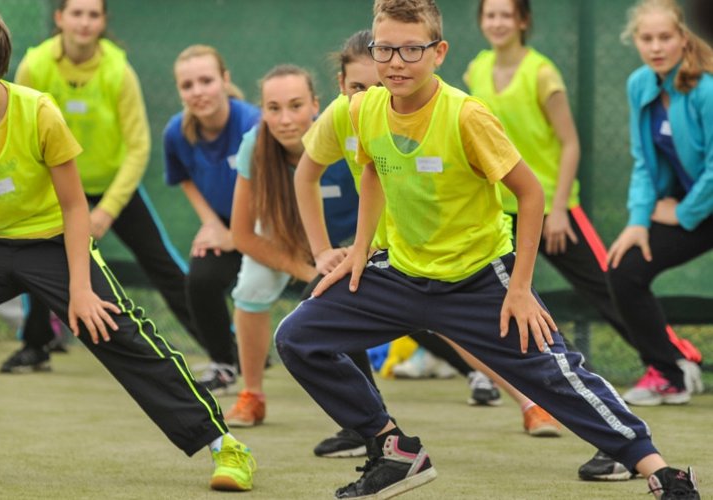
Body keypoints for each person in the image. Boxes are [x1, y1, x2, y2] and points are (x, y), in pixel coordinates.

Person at [275, 0, 699, 498]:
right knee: (298, 336)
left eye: (411, 49)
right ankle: (392, 449)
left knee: (555, 375)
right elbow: (372, 171)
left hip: (479, 278)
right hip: (402, 273)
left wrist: (519, 287)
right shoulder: (364, 108)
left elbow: (531, 192)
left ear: (439, 52)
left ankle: (660, 470)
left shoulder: (467, 115)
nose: (395, 62)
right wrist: (359, 249)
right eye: (385, 48)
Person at [0, 4, 255, 492]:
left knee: (118, 331)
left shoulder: (39, 112)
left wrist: (82, 289)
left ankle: (223, 444)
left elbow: (74, 208)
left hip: (49, 240)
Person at [466, 0, 703, 480]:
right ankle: (508, 378)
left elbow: (569, 142)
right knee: (510, 292)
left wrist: (555, 207)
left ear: (523, 21)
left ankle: (675, 359)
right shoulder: (477, 69)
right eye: (488, 14)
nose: (496, 22)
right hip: (503, 206)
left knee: (603, 283)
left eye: (505, 14)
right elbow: (643, 163)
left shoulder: (543, 72)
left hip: (563, 206)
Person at [294, 29, 561, 455]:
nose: (370, 94)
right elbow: (306, 175)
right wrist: (325, 251)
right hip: (382, 258)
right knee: (323, 306)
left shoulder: (434, 115)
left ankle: (534, 402)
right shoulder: (342, 115)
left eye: (377, 85)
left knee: (479, 335)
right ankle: (367, 428)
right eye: (357, 87)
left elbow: (521, 191)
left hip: (425, 255)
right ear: (342, 87)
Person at [1, 0, 200, 373]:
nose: (85, 22)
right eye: (77, 13)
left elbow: (138, 146)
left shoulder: (119, 70)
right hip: (54, 187)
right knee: (37, 259)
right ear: (60, 18)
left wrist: (108, 209)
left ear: (103, 22)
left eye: (93, 14)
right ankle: (36, 344)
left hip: (111, 188)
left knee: (163, 265)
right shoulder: (35, 65)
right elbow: (19, 131)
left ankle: (223, 345)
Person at [225, 64, 362, 428]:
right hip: (288, 243)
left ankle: (525, 399)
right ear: (262, 112)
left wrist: (358, 250)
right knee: (250, 288)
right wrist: (309, 270)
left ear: (316, 104)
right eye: (273, 108)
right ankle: (251, 394)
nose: (285, 119)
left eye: (296, 105)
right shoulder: (254, 146)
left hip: (352, 242)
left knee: (427, 300)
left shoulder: (347, 135)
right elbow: (242, 235)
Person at [608, 0, 712, 408]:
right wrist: (637, 221)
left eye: (665, 37)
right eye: (646, 38)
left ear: (683, 38)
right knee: (624, 269)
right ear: (635, 40)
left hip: (695, 205)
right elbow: (643, 161)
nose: (656, 46)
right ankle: (669, 374)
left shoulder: (705, 89)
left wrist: (683, 213)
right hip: (694, 206)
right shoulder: (640, 84)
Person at [164, 45, 260, 395]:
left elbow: (275, 190)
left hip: (274, 222)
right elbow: (184, 179)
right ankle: (224, 365)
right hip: (226, 223)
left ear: (225, 80)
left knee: (325, 287)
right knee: (201, 279)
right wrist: (213, 225)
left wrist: (239, 236)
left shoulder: (252, 124)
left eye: (206, 80)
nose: (198, 91)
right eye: (187, 85)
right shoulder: (176, 133)